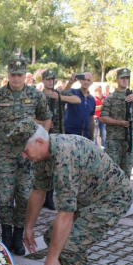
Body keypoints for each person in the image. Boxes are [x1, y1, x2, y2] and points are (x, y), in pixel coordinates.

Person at [11, 119, 132, 265]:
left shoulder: (64, 157)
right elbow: (38, 191)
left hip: (112, 199)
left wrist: (51, 258)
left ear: (39, 141)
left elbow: (65, 214)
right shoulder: (44, 153)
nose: (23, 155)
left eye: (24, 150)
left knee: (68, 247)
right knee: (53, 239)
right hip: (90, 199)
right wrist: (28, 228)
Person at [0, 57, 52, 256]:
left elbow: (47, 117)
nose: (16, 78)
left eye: (20, 75)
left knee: (23, 196)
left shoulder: (35, 95)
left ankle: (19, 237)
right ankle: (6, 236)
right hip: (5, 155)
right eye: (13, 75)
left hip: (28, 157)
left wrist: (40, 141)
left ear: (25, 75)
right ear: (8, 75)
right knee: (5, 197)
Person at [41, 69, 81, 210]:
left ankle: (49, 198)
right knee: (41, 168)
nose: (50, 81)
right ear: (43, 81)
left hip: (58, 136)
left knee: (54, 167)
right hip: (43, 135)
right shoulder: (39, 96)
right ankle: (41, 197)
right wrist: (42, 122)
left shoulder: (58, 94)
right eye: (48, 79)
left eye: (52, 79)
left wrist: (59, 97)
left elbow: (77, 100)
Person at [63, 72, 96, 139]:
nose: (86, 82)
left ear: (91, 83)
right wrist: (70, 83)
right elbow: (63, 95)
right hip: (70, 134)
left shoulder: (92, 99)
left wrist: (92, 138)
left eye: (88, 80)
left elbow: (91, 120)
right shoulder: (73, 92)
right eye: (84, 79)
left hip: (85, 136)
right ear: (80, 81)